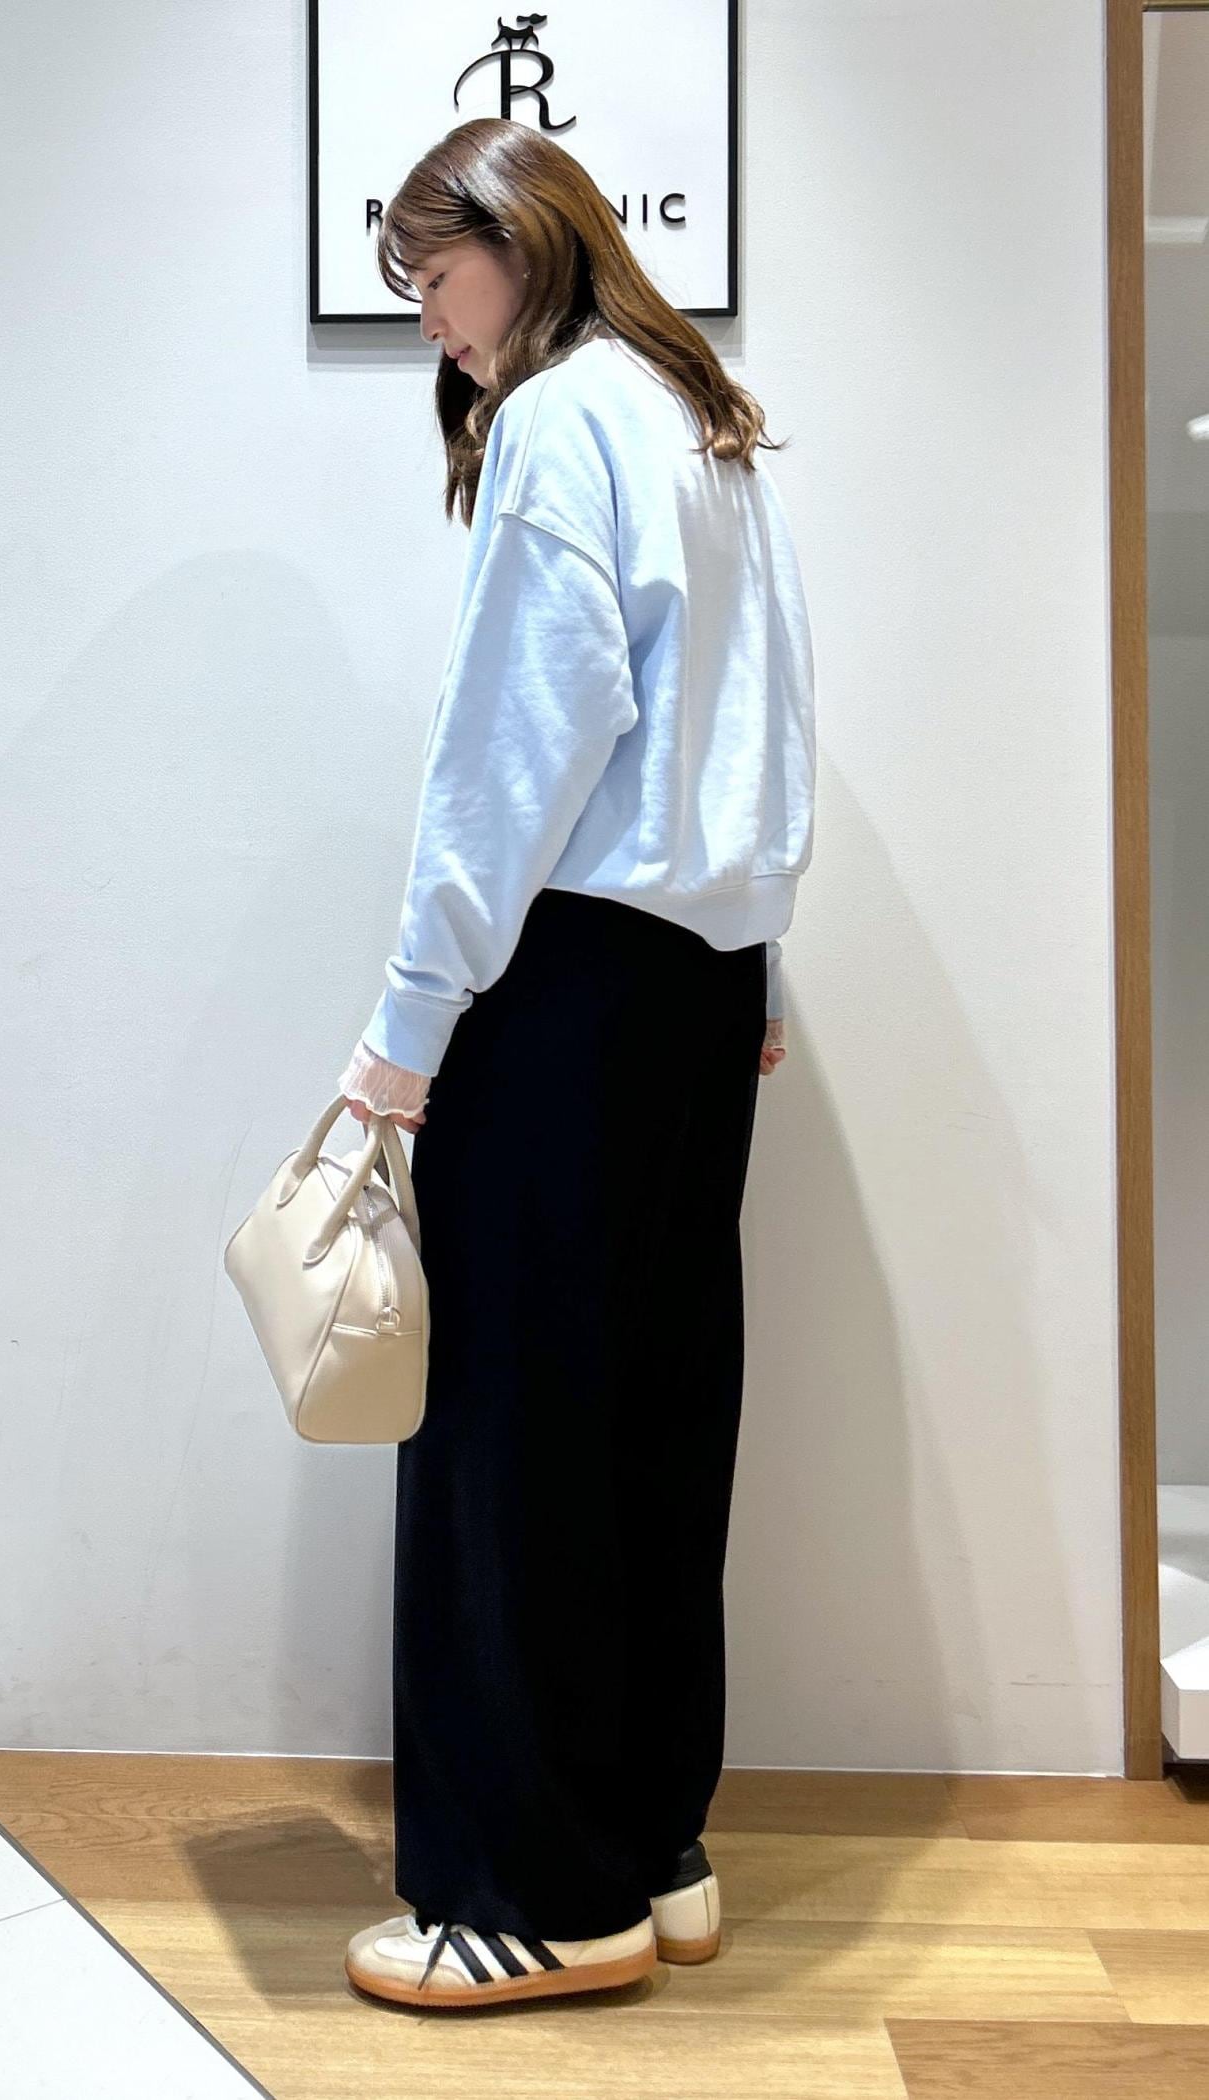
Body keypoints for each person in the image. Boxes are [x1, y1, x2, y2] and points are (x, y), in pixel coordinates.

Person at [337, 117, 815, 2011]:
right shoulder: (699, 413)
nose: (430, 324)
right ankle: (649, 1845)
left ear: (519, 242)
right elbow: (766, 718)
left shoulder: (558, 421)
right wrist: (758, 959)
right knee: (655, 1419)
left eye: (435, 278)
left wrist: (404, 1030)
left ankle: (538, 1895)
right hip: (699, 991)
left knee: (513, 1437)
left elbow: (509, 759)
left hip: (565, 987)